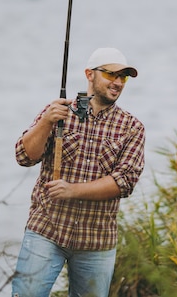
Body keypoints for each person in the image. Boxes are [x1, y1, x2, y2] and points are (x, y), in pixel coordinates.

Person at [12, 47, 146, 297]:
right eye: (110, 75)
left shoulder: (132, 127)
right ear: (89, 74)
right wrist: (46, 122)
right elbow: (24, 156)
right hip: (46, 232)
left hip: (96, 242)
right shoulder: (58, 111)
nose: (117, 82)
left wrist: (72, 190)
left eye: (123, 77)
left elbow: (124, 182)